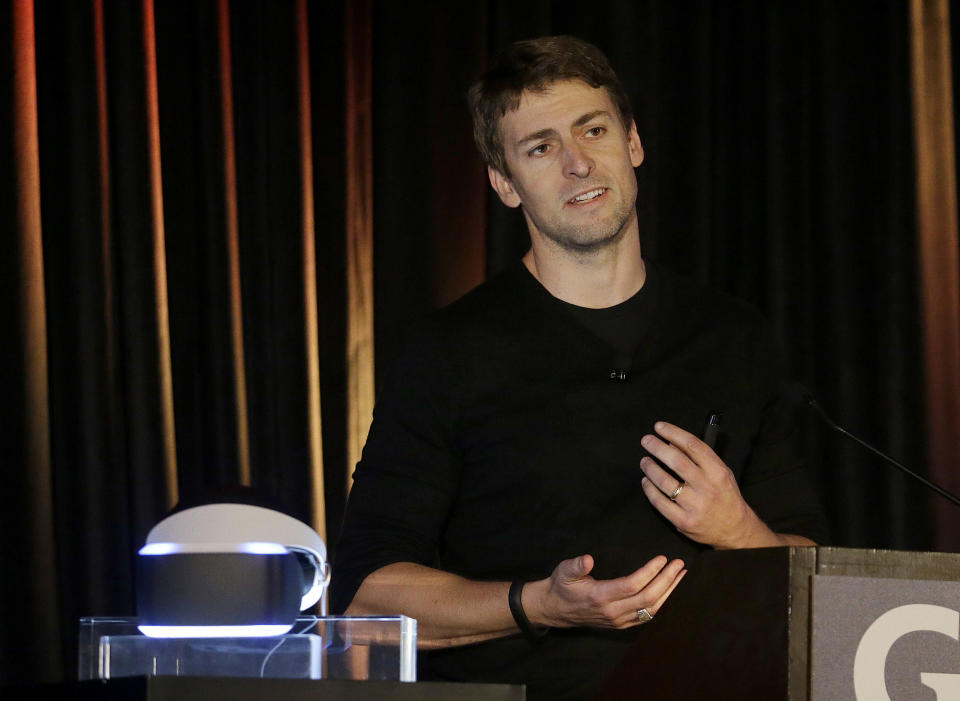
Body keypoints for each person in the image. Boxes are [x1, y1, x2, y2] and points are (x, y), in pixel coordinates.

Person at [331, 35, 828, 700]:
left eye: (592, 129)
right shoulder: (447, 352)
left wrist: (738, 530)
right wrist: (538, 603)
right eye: (540, 147)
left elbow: (816, 578)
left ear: (633, 143)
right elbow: (366, 594)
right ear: (505, 184)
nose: (577, 162)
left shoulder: (732, 335)